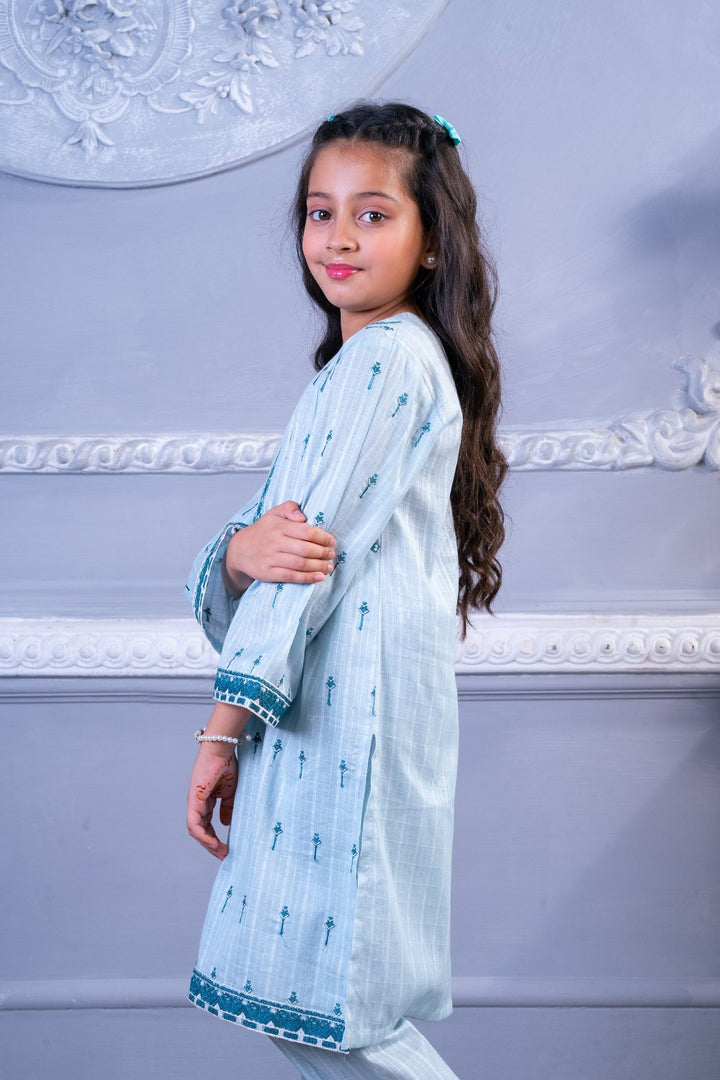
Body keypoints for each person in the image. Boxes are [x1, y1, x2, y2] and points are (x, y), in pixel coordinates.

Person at [185, 101, 506, 1080]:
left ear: (431, 240)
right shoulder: (362, 365)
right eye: (320, 213)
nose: (338, 237)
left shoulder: (388, 361)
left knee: (334, 1007)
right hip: (332, 712)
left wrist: (219, 733)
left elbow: (304, 565)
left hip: (346, 723)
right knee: (321, 1006)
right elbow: (273, 547)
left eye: (373, 214)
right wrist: (238, 552)